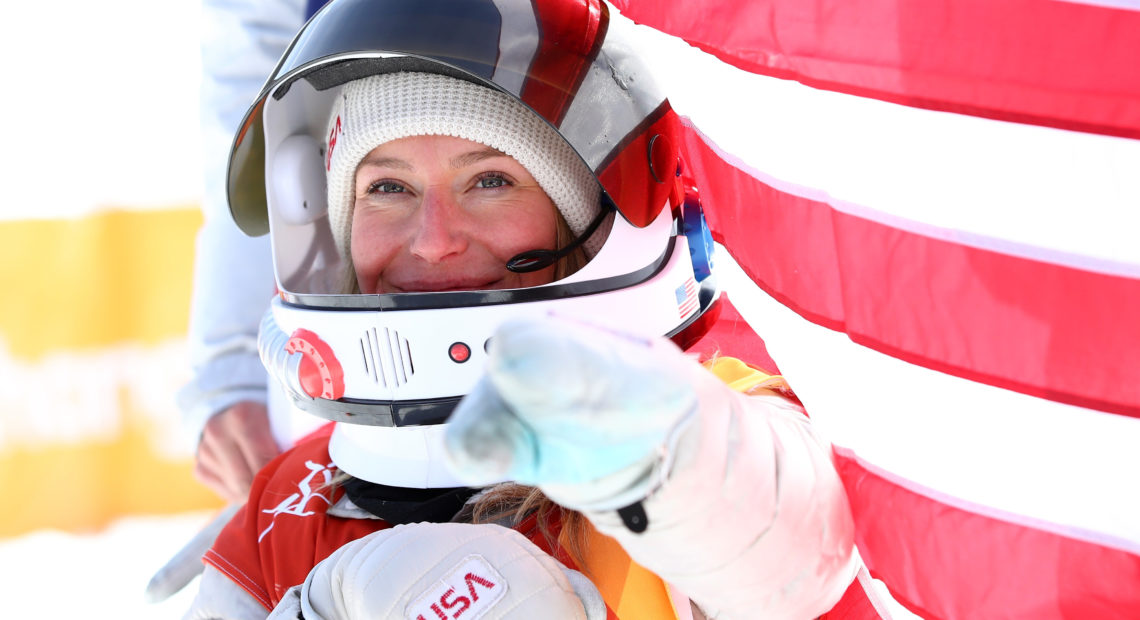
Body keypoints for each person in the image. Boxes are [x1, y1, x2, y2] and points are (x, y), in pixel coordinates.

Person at [184, 0, 858, 618]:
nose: (434, 241)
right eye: (387, 186)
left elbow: (790, 549)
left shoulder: (703, 419)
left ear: (592, 220)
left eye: (491, 181)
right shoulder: (293, 499)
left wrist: (656, 459)